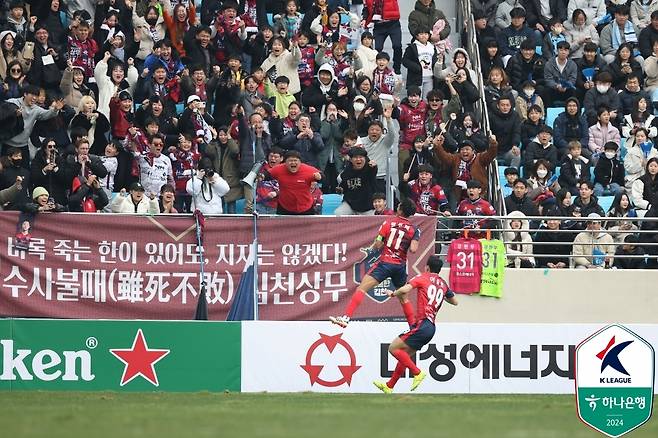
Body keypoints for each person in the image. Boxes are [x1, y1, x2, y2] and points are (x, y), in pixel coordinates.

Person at [373, 255, 458, 394]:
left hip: (423, 324)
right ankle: (389, 386)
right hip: (430, 327)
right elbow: (455, 302)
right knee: (404, 356)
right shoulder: (443, 284)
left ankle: (417, 373)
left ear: (427, 267)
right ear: (440, 270)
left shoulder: (422, 277)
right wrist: (442, 294)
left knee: (393, 348)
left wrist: (392, 294)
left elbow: (405, 290)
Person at [329, 199, 419, 328]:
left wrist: (379, 241)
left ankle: (345, 318)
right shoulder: (415, 230)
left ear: (400, 209)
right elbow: (413, 250)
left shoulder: (388, 222)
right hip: (400, 266)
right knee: (404, 298)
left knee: (362, 288)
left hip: (385, 263)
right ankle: (413, 327)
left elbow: (378, 244)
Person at [433, 135, 498, 201]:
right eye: (462, 149)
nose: (464, 151)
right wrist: (437, 146)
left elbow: (491, 154)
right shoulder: (456, 158)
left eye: (467, 149)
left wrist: (493, 143)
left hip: (478, 194)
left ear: (473, 151)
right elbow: (444, 157)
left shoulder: (480, 158)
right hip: (459, 194)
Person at [265, 150, 322, 215]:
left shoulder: (308, 169)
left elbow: (322, 177)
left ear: (300, 162)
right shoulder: (279, 169)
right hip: (284, 207)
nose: (293, 163)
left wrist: (319, 178)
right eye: (290, 161)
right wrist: (261, 176)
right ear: (285, 162)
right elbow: (266, 175)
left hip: (305, 207)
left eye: (295, 160)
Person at [335, 147, 378, 215]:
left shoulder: (369, 168)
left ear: (365, 158)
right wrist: (340, 189)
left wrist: (374, 166)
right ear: (351, 159)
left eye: (361, 157)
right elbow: (343, 187)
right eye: (355, 157)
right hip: (351, 205)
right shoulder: (346, 172)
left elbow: (373, 170)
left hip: (368, 207)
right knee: (338, 213)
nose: (358, 159)